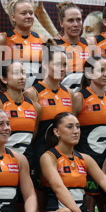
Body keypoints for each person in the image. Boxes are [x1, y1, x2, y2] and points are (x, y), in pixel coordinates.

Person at [72, 56, 106, 212]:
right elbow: (70, 128)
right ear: (89, 74)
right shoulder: (80, 97)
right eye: (101, 70)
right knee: (88, 209)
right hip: (86, 158)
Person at [24, 47, 73, 185]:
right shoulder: (32, 93)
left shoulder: (70, 93)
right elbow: (31, 133)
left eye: (64, 65)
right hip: (40, 154)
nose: (62, 69)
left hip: (64, 156)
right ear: (45, 64)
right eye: (57, 64)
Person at [0, 61, 39, 156]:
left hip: (28, 158)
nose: (21, 77)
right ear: (4, 79)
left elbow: (33, 135)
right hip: (3, 158)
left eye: (23, 73)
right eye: (16, 73)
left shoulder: (35, 107)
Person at [0, 0, 43, 89]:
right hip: (13, 91)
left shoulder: (42, 39)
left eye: (31, 13)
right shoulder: (3, 38)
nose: (28, 16)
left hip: (36, 91)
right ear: (13, 17)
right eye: (24, 13)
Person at [53, 1, 94, 92]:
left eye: (78, 20)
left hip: (85, 96)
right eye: (70, 20)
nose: (76, 24)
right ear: (61, 23)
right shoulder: (55, 45)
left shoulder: (89, 45)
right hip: (63, 95)